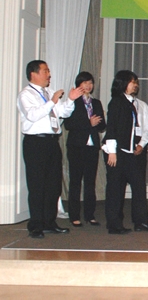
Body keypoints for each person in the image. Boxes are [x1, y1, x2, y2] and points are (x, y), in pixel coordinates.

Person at [17, 60, 84, 238]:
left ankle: (49, 222)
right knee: (37, 185)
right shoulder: (26, 94)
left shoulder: (48, 92)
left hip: (52, 142)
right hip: (35, 143)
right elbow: (32, 115)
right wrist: (52, 101)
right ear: (34, 74)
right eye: (45, 71)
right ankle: (36, 225)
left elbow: (63, 113)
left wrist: (70, 100)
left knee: (53, 185)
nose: (49, 74)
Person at [102, 70, 148, 234]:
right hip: (118, 152)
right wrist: (112, 152)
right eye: (132, 82)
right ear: (123, 83)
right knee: (115, 189)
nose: (135, 85)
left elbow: (147, 128)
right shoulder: (116, 103)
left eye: (136, 82)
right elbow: (111, 128)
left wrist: (141, 144)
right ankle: (114, 224)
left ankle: (141, 221)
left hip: (134, 153)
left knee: (139, 187)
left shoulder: (140, 105)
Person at [64, 71, 106, 228]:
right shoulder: (73, 102)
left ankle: (90, 215)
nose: (88, 85)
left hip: (92, 147)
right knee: (75, 181)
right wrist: (88, 123)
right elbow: (69, 124)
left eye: (90, 82)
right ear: (78, 85)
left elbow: (102, 126)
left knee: (90, 182)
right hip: (76, 146)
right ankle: (74, 216)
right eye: (85, 83)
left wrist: (98, 122)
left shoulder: (96, 103)